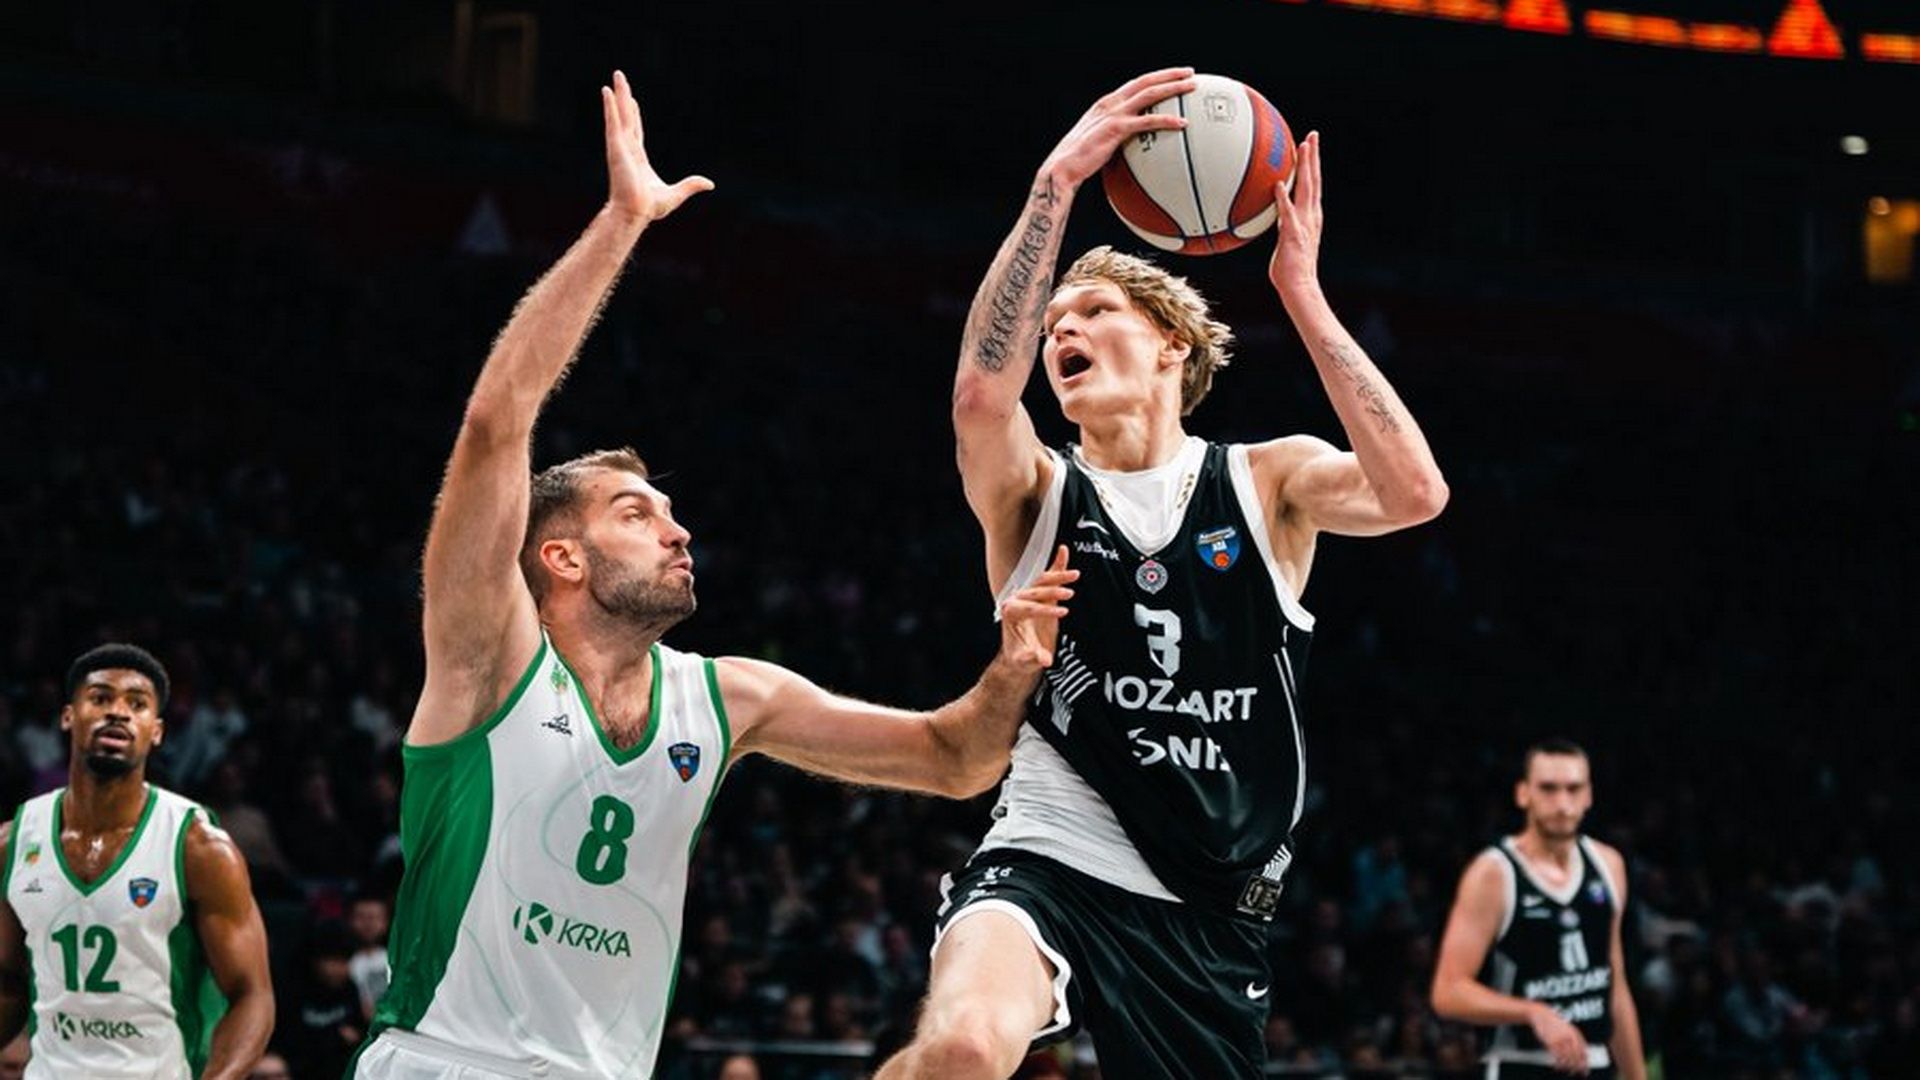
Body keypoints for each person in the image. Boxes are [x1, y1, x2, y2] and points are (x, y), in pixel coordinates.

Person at [347, 71, 1076, 1079]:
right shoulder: (489, 659)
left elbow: (954, 760)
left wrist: (1014, 667)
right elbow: (495, 422)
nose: (678, 531)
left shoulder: (727, 697)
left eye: (672, 513)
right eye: (636, 514)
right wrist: (623, 223)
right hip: (447, 1060)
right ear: (560, 556)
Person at [878, 67, 1449, 1078]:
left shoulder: (1265, 480)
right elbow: (979, 398)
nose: (1062, 331)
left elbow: (1414, 493)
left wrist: (1303, 297)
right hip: (1053, 849)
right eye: (1053, 326)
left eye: (1093, 311)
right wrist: (1055, 185)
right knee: (963, 1044)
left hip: (1210, 904)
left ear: (1171, 344)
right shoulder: (1036, 489)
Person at [0, 643, 275, 1079]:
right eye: (100, 698)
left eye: (137, 704)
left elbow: (252, 995)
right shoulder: (13, 843)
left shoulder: (199, 848)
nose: (118, 712)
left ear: (157, 731)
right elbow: (8, 984)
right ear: (68, 716)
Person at [1430, 739, 1647, 1078]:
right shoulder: (1493, 874)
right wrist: (1532, 1012)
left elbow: (1615, 986)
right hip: (1520, 1064)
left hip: (1595, 1063)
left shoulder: (1608, 865)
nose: (1562, 803)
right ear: (1523, 794)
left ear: (1589, 795)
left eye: (1573, 789)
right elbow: (1448, 991)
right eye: (1548, 788)